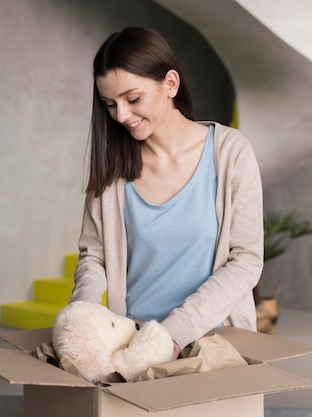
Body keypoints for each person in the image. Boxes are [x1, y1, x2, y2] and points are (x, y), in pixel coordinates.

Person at [70, 26, 264, 357]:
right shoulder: (114, 169)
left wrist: (172, 336)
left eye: (133, 99)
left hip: (216, 345)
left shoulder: (230, 153)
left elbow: (245, 260)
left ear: (170, 84)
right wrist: (80, 320)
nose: (122, 116)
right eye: (109, 104)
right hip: (135, 344)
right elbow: (95, 257)